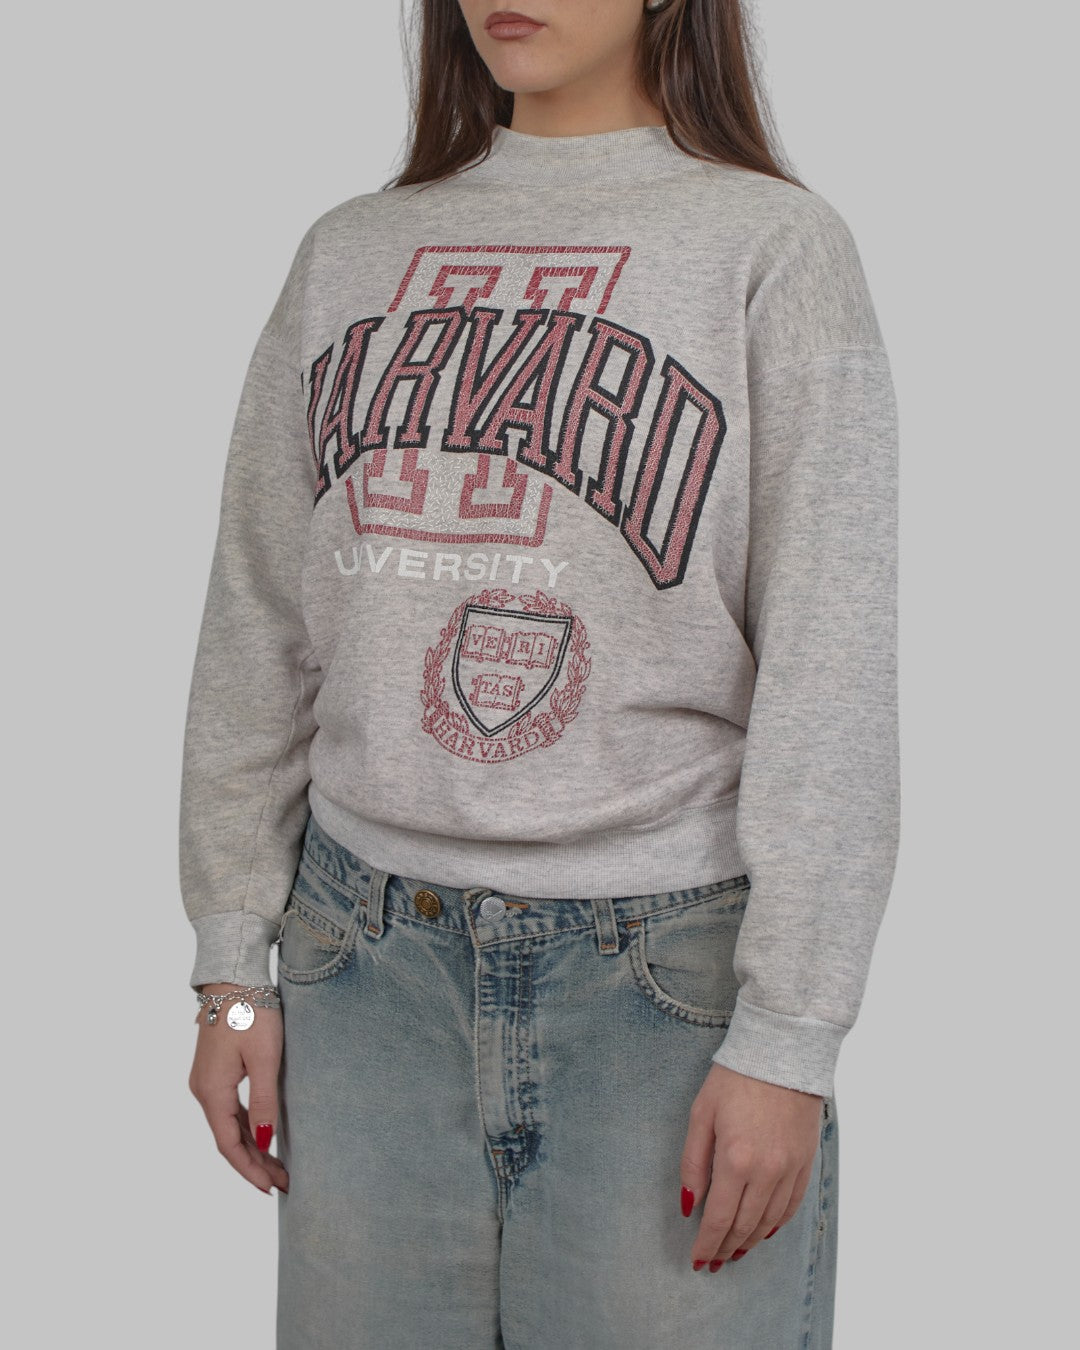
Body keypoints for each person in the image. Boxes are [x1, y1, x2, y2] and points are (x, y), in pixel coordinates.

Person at [180, 2, 899, 1346]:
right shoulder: (350, 251)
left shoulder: (772, 248)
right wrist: (233, 969)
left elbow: (830, 672)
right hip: (359, 975)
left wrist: (790, 1037)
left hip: (662, 996)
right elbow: (258, 628)